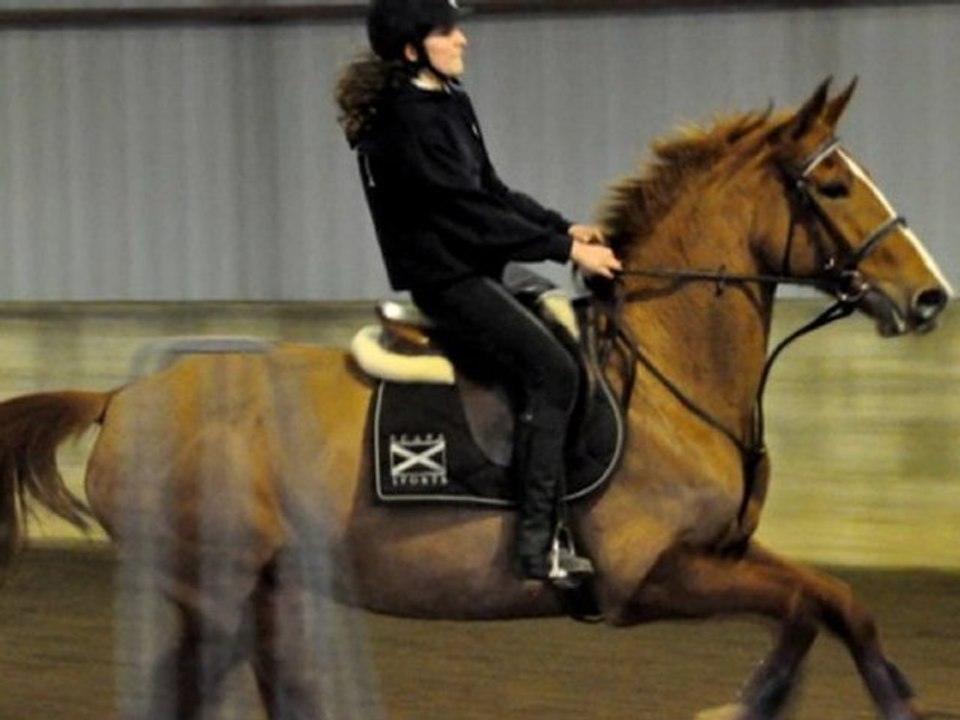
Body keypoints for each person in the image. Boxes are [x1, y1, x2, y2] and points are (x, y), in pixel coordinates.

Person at [335, 0, 622, 584]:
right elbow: (467, 215)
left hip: (479, 267)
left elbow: (490, 189)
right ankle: (538, 543)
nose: (463, 40)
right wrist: (567, 252)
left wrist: (561, 226)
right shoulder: (403, 122)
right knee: (554, 373)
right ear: (414, 49)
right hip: (448, 279)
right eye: (447, 31)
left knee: (570, 356)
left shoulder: (450, 102)